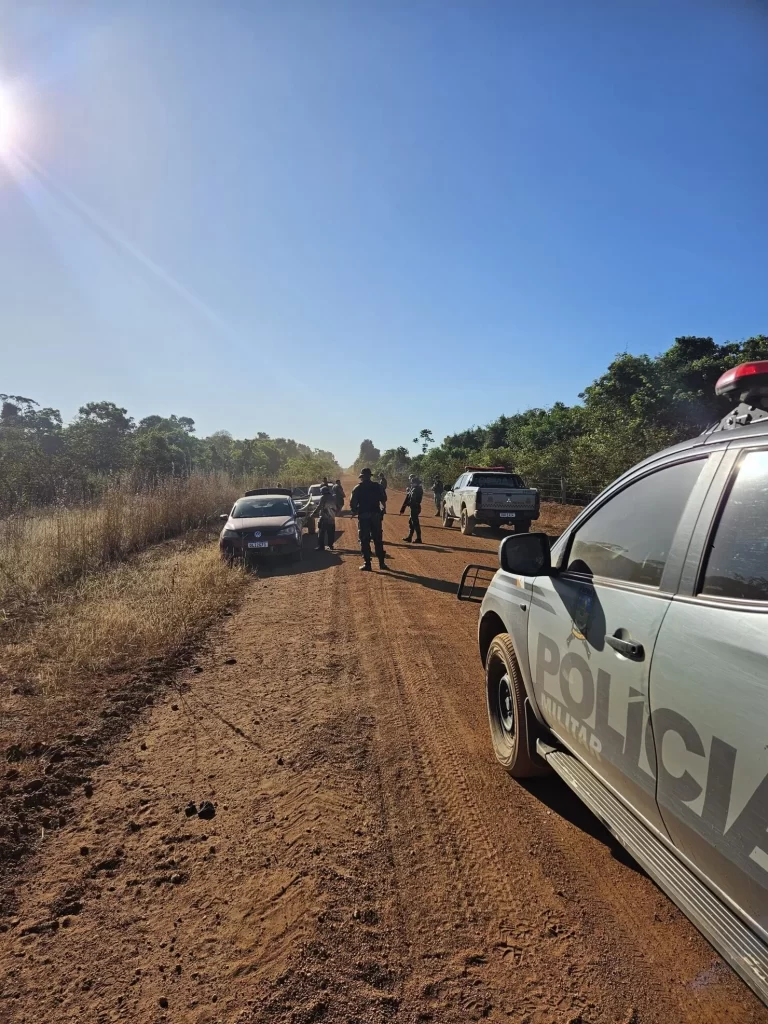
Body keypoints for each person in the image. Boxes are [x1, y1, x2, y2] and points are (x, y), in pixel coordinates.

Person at [350, 468, 387, 571]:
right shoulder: (378, 486)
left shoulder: (358, 488)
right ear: (370, 476)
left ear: (362, 477)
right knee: (378, 539)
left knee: (364, 540)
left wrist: (355, 510)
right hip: (375, 515)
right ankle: (382, 563)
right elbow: (383, 499)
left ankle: (367, 564)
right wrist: (383, 509)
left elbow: (353, 503)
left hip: (364, 516)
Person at [400, 475, 423, 543]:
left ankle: (419, 538)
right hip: (415, 507)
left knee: (415, 523)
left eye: (412, 483)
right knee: (411, 522)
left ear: (415, 483)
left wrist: (407, 504)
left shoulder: (415, 490)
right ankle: (410, 537)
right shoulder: (417, 489)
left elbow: (413, 499)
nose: (411, 484)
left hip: (415, 507)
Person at [315, 485, 337, 551]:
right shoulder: (333, 497)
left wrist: (313, 513)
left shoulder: (323, 497)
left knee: (321, 533)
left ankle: (321, 546)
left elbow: (319, 507)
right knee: (331, 533)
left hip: (324, 518)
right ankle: (330, 545)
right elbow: (336, 507)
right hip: (332, 518)